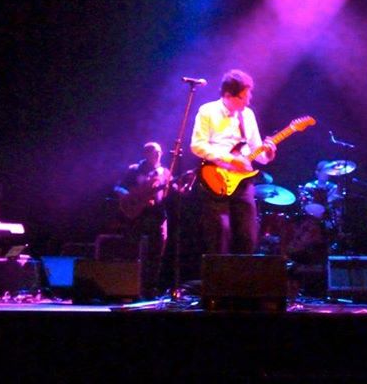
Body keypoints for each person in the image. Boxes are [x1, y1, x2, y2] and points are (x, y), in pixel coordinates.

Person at [190, 69, 277, 254]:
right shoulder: (208, 111)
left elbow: (257, 152)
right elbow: (197, 145)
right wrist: (230, 159)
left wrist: (268, 154)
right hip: (215, 179)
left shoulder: (248, 115)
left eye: (249, 95)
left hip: (243, 181)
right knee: (220, 234)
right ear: (228, 95)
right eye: (243, 97)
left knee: (248, 236)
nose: (248, 101)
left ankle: (243, 273)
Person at [116, 141, 172, 297]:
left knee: (157, 251)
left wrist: (182, 187)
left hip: (157, 214)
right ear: (146, 154)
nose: (158, 155)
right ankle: (130, 287)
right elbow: (119, 187)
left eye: (160, 152)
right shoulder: (134, 170)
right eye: (154, 152)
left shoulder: (165, 172)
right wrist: (131, 197)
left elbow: (172, 191)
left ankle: (151, 288)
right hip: (138, 215)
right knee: (133, 249)